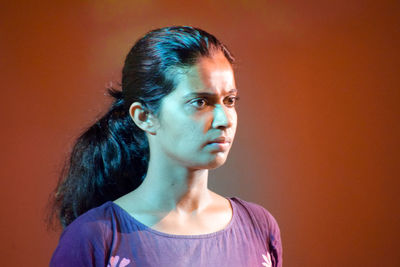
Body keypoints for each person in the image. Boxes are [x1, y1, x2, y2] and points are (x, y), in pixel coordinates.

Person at [49, 26, 282, 267]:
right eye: (200, 102)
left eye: (229, 100)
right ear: (144, 116)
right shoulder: (96, 237)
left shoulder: (259, 227)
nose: (224, 120)